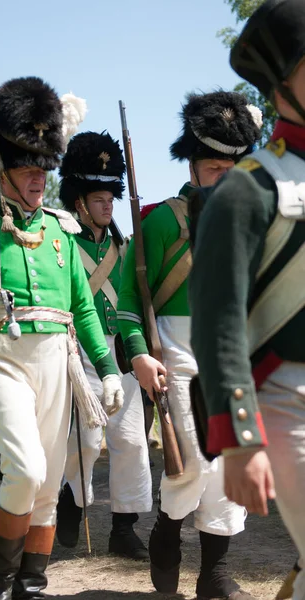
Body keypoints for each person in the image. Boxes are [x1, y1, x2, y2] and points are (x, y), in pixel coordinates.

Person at [0, 77, 124, 600]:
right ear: (0, 169)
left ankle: (31, 586)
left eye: (43, 166)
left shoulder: (62, 230)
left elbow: (82, 308)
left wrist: (106, 368)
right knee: (25, 470)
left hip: (54, 360)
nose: (38, 177)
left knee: (46, 484)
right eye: (26, 166)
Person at [117, 91, 262, 599]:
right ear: (194, 167)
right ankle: (167, 529)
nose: (224, 177)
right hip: (175, 353)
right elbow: (128, 303)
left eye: (232, 167)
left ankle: (215, 574)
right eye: (214, 166)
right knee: (196, 460)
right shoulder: (160, 222)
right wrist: (137, 351)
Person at [188, 2, 305, 600]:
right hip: (284, 396)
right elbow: (220, 318)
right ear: (281, 82)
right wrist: (239, 438)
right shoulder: (248, 189)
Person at [56, 131, 152, 560]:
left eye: (111, 200)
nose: (107, 207)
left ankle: (124, 527)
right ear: (78, 201)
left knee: (131, 441)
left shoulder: (124, 247)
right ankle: (71, 501)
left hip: (120, 353)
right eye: (99, 199)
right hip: (76, 350)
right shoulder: (61, 242)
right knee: (87, 442)